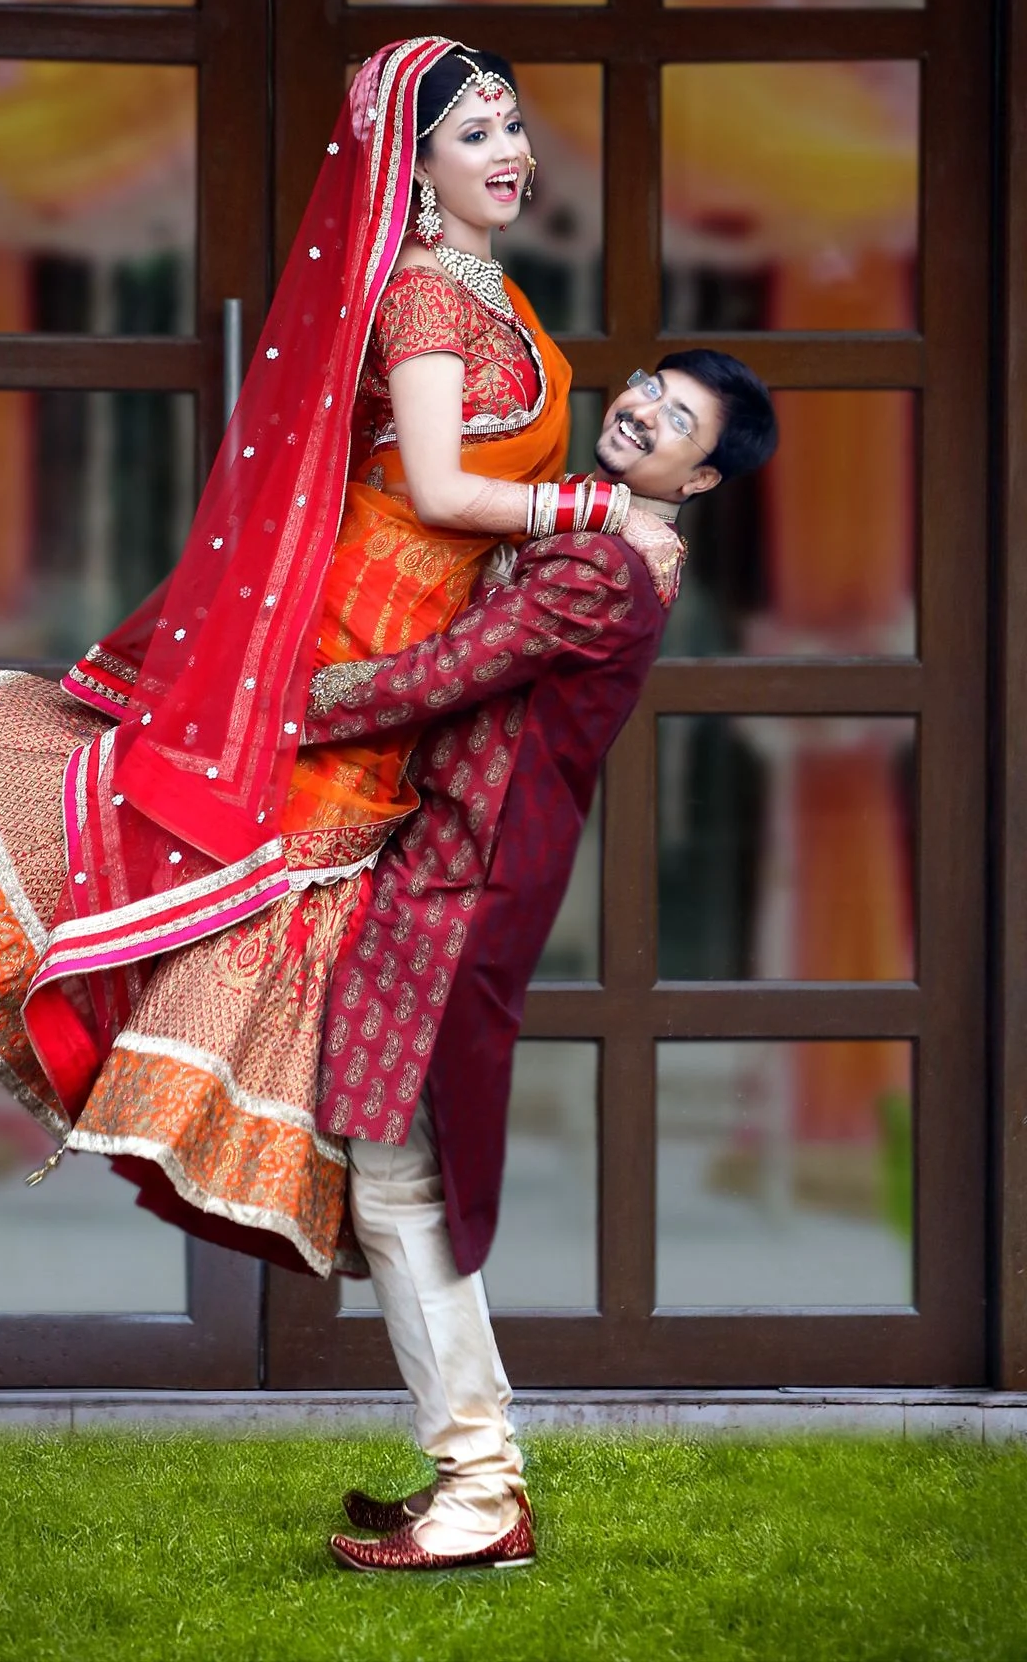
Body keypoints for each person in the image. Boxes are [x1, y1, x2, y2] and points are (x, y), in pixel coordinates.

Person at [0, 36, 679, 1280]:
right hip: (366, 624)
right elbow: (448, 491)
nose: (508, 153)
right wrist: (598, 513)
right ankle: (301, 1162)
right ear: (411, 167)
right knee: (275, 873)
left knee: (349, 911)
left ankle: (382, 1217)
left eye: (513, 126)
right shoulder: (418, 291)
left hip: (429, 632)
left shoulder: (489, 285)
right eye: (474, 134)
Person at [301, 350, 780, 1572]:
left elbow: (435, 679)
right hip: (459, 865)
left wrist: (274, 704)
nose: (642, 415)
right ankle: (470, 1474)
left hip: (463, 882)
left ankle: (477, 1489)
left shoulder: (602, 562)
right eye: (646, 389)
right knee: (390, 1170)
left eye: (678, 422)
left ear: (703, 477)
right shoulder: (603, 531)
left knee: (405, 1175)